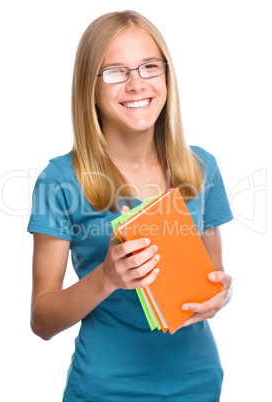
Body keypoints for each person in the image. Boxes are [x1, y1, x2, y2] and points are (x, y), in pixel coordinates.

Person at [27, 10, 233, 401]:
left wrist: (222, 294)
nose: (137, 84)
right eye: (116, 72)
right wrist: (107, 277)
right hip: (105, 390)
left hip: (199, 383)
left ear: (167, 76)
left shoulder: (201, 167)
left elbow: (215, 278)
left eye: (149, 67)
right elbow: (42, 320)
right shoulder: (59, 181)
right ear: (90, 86)